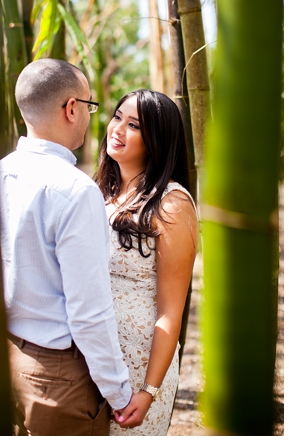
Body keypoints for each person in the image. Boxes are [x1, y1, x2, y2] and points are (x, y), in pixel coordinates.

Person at [0, 59, 138, 435]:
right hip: (58, 377)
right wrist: (119, 393)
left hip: (3, 358)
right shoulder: (75, 191)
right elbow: (88, 312)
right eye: (90, 106)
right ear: (71, 108)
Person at [96, 90, 198, 435]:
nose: (118, 129)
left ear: (156, 139)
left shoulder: (171, 205)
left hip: (139, 364)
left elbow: (171, 311)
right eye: (117, 117)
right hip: (94, 358)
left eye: (134, 124)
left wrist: (148, 390)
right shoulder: (100, 193)